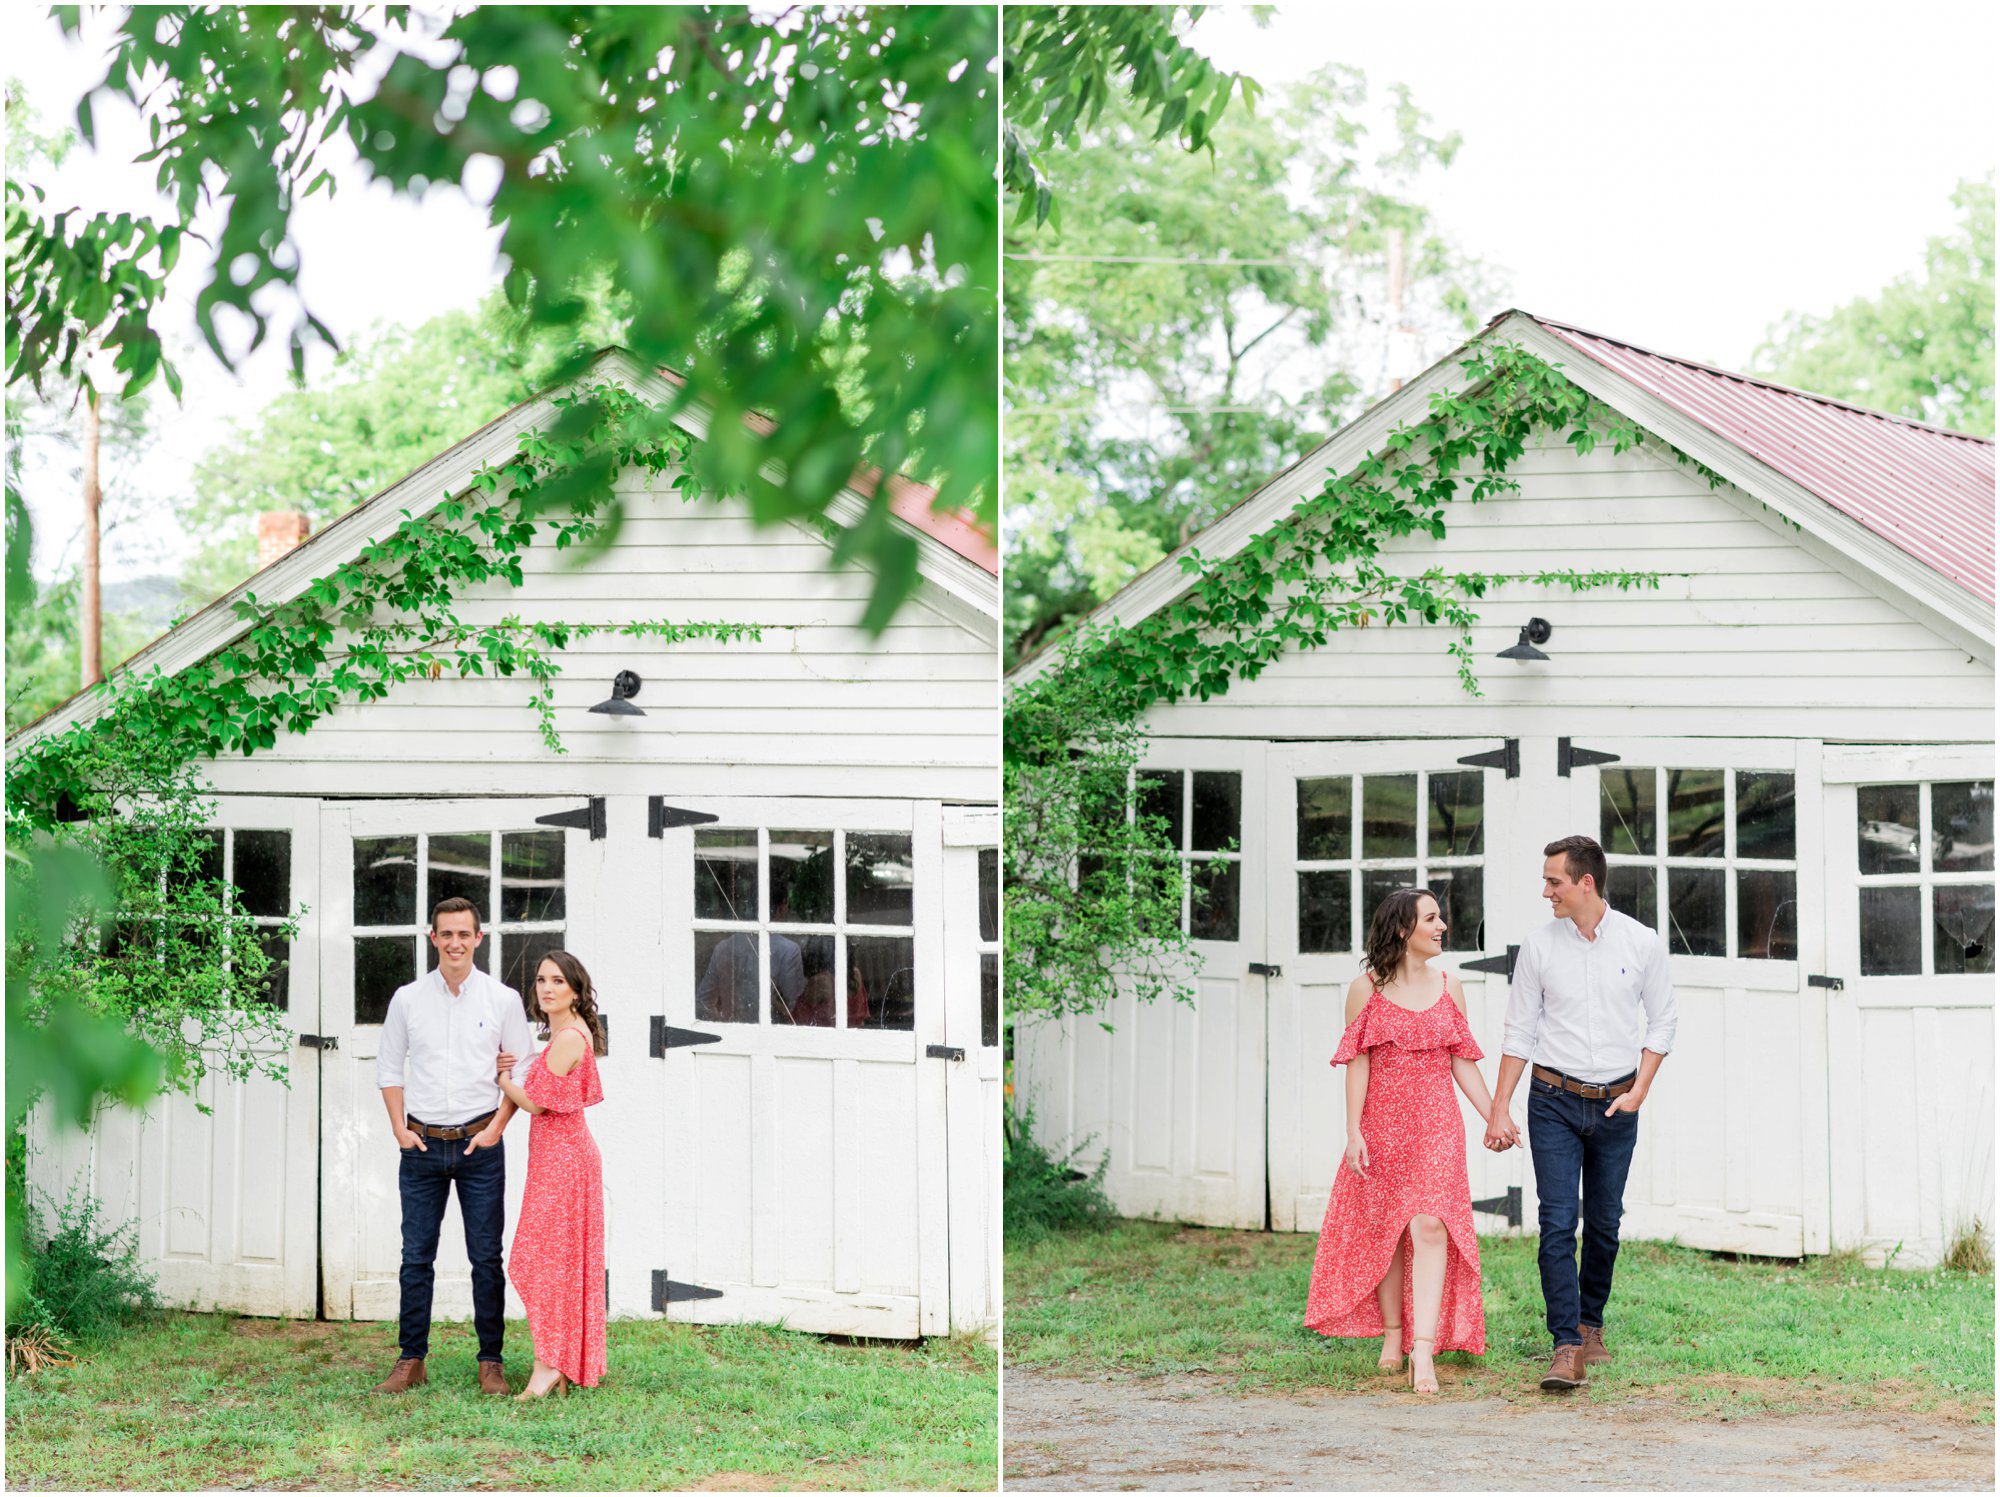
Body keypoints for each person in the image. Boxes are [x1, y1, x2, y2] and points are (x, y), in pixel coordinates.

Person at [1485, 834, 1677, 1392]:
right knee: (1555, 1222)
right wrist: (1499, 1109)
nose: (1546, 892)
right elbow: (1519, 1031)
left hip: (1618, 1104)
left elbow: (1662, 1022)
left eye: (1554, 881)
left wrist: (1640, 1091)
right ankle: (1565, 1343)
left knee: (1605, 1225)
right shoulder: (1538, 947)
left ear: (1585, 882)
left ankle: (1591, 1325)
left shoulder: (1642, 944)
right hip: (1552, 1101)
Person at [1304, 887, 1502, 1394]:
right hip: (1382, 1124)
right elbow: (1357, 1063)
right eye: (1431, 919)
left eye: (1441, 918)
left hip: (1437, 1124)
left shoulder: (1450, 986)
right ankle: (1392, 1334)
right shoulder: (1365, 988)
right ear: (1402, 929)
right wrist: (1353, 1132)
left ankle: (1424, 1350)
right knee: (1389, 1231)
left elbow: (1463, 1060)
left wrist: (1494, 1116)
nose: (1442, 927)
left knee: (1431, 1225)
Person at [373, 896, 534, 1395]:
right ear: (433, 938)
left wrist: (498, 1128)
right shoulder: (407, 999)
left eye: (464, 934)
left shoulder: (502, 1000)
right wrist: (400, 1128)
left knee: (486, 1256)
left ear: (478, 939)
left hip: (479, 1145)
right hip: (421, 1145)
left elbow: (522, 1070)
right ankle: (410, 1360)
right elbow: (388, 1068)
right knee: (415, 1256)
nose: (456, 942)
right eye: (447, 933)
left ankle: (491, 1363)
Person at [495, 950, 608, 1396]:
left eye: (558, 981)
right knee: (552, 1263)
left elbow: (538, 1103)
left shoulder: (568, 1038)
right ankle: (556, 1361)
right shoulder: (562, 1032)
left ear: (576, 991)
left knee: (535, 1259)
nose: (547, 988)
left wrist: (503, 1081)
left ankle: (550, 1365)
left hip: (565, 1161)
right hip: (555, 1159)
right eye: (542, 980)